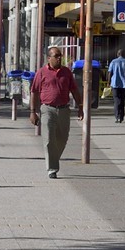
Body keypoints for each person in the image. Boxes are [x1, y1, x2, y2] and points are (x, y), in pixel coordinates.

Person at [30, 46, 82, 178]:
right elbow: (34, 92)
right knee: (48, 139)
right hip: (47, 109)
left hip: (64, 109)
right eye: (56, 56)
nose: (59, 58)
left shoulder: (67, 72)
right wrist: (32, 112)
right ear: (49, 58)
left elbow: (74, 90)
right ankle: (52, 168)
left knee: (62, 139)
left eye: (60, 56)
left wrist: (81, 106)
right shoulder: (41, 72)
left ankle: (53, 158)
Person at [107, 49, 125, 123]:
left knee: (116, 100)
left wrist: (108, 82)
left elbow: (110, 73)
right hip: (124, 84)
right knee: (122, 100)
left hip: (115, 84)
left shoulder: (113, 62)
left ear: (118, 54)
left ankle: (117, 116)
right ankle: (121, 116)